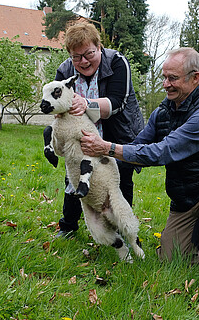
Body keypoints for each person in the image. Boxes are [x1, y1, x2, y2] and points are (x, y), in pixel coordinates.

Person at [80, 47, 199, 286]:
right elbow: (139, 146)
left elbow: (163, 151)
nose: (166, 84)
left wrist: (106, 147)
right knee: (172, 259)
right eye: (164, 77)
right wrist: (99, 172)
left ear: (195, 78)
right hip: (186, 195)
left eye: (173, 78)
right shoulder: (162, 112)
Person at [52, 22, 144, 238]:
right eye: (77, 57)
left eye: (88, 53)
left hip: (117, 131)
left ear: (99, 47)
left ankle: (123, 229)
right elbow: (56, 102)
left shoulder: (117, 62)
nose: (83, 61)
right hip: (80, 135)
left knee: (119, 179)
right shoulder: (65, 70)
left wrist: (86, 104)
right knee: (75, 177)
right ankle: (68, 226)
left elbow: (117, 102)